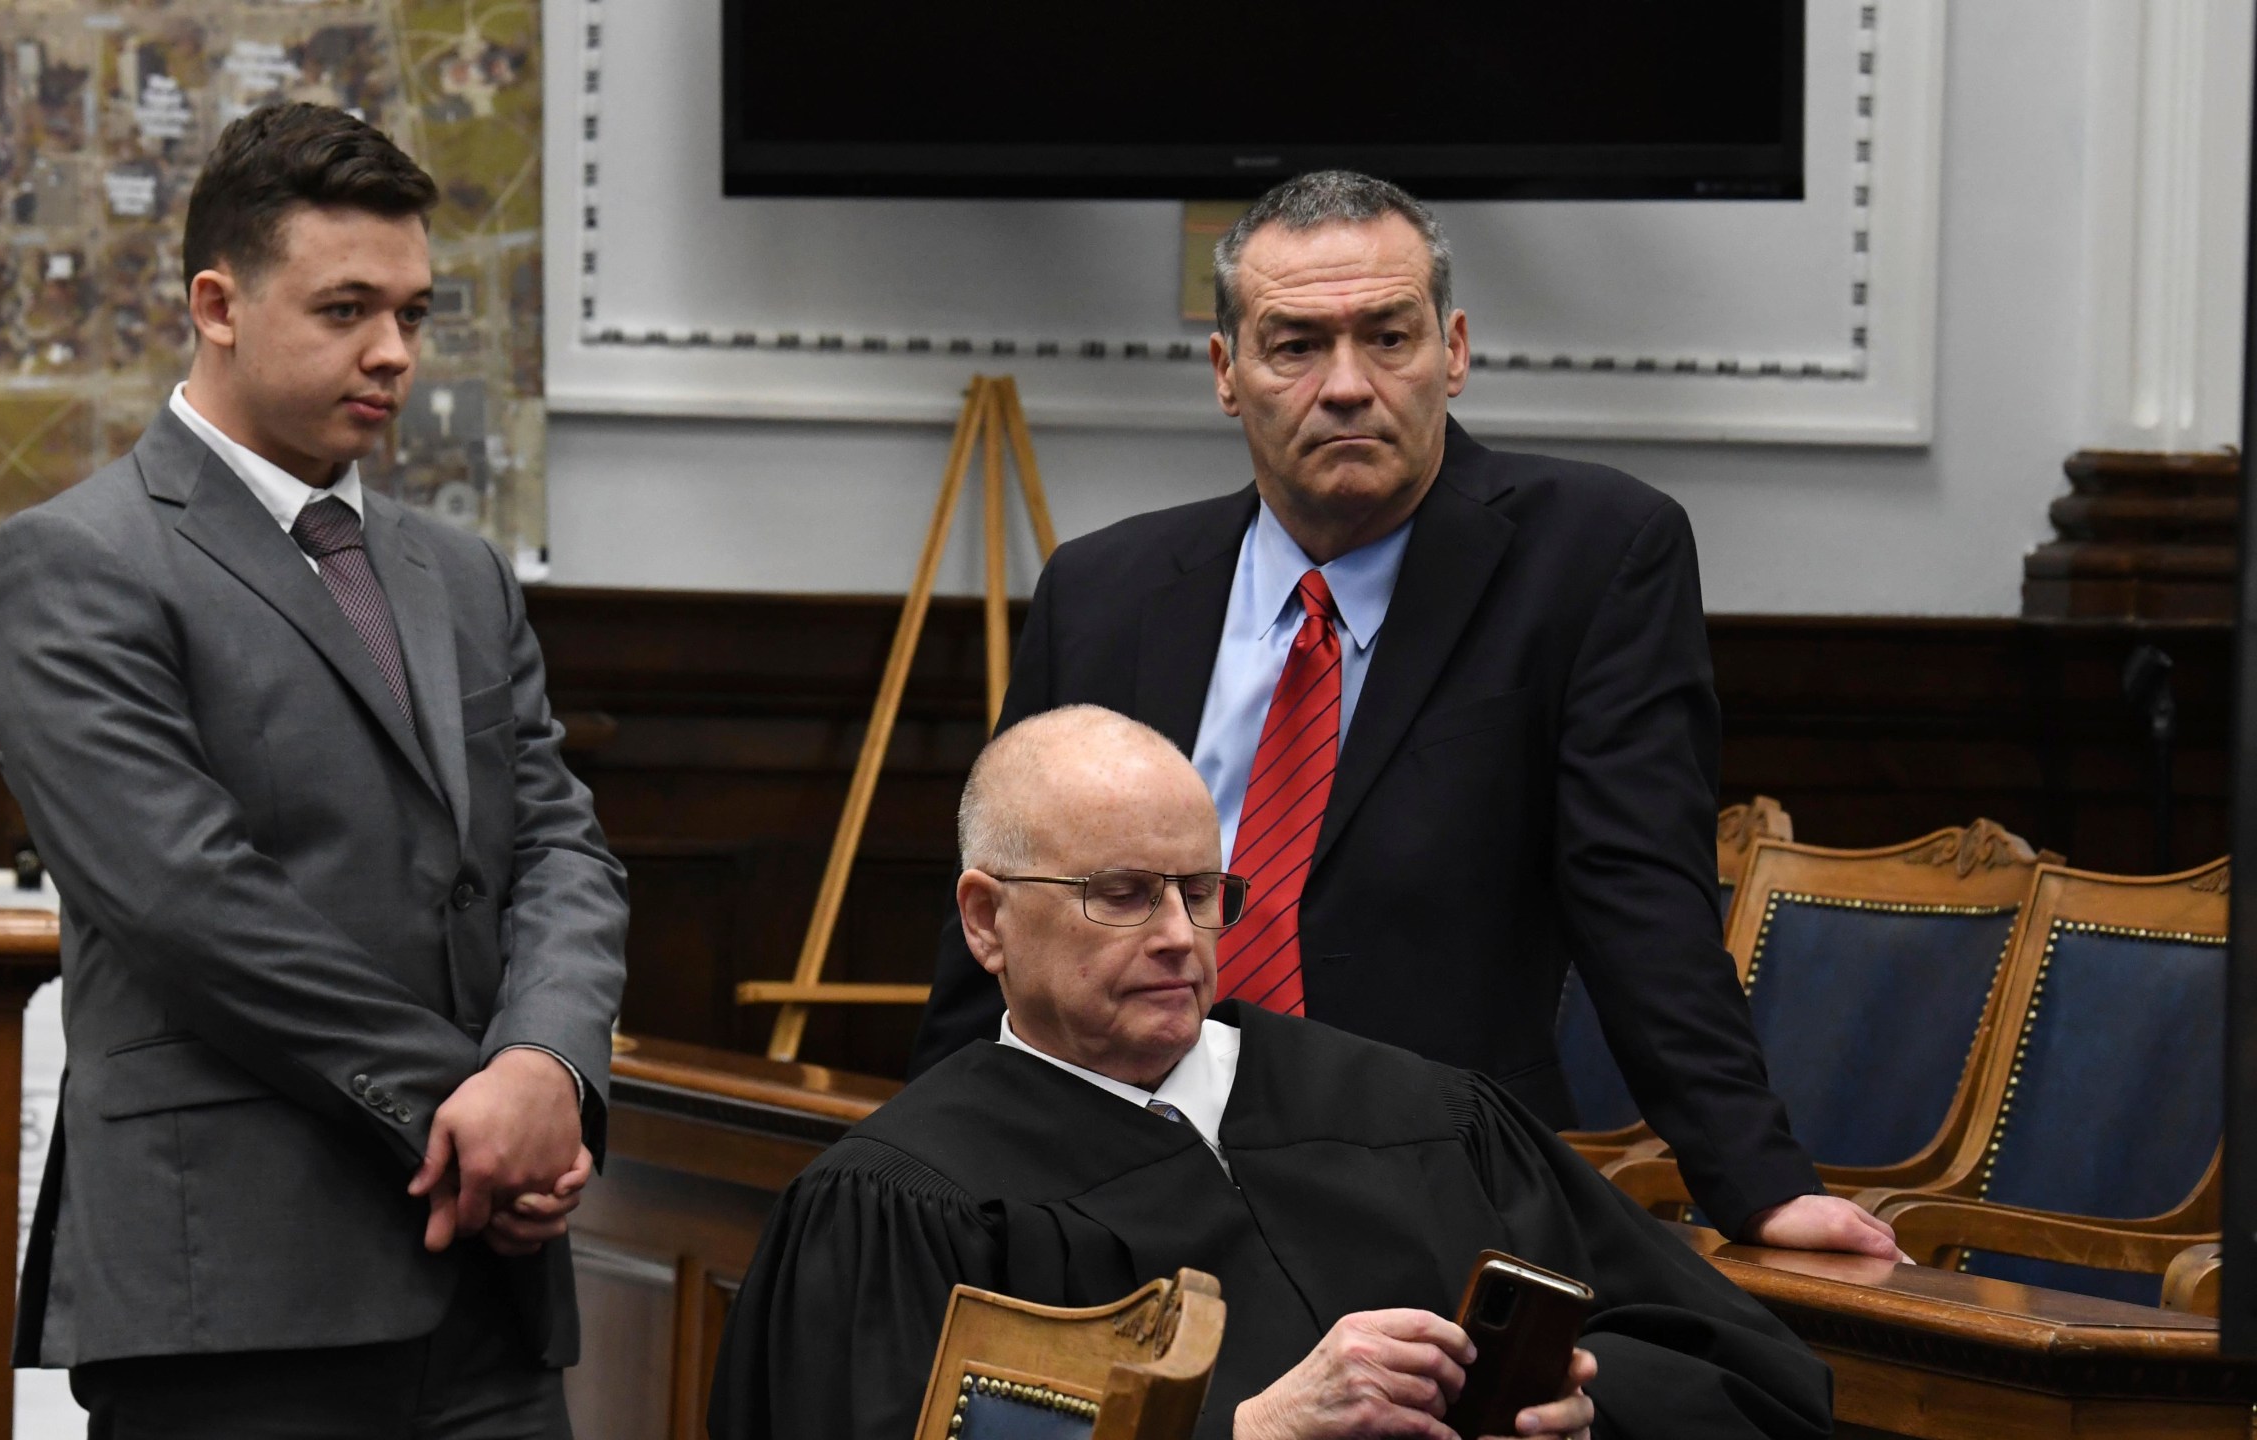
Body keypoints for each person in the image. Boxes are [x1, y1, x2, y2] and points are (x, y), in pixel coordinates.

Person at [908, 169, 1894, 1258]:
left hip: (1434, 1189)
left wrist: (1755, 1185)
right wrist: (928, 1176)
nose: (1347, 385)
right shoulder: (1106, 589)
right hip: (1114, 1176)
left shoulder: (1593, 557)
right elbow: (1001, 925)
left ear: (1454, 352)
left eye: (1388, 336)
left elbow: (1642, 903)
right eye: (1294, 346)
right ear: (1226, 372)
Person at [0, 102, 628, 1437]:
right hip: (237, 1294)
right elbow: (188, 904)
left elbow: (562, 848)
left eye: (412, 311)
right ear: (218, 303)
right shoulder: (81, 560)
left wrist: (551, 1074)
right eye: (346, 309)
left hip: (490, 1307)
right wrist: (473, 1108)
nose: (392, 353)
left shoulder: (455, 571)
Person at [715, 706, 1832, 1440]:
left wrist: (1586, 1403)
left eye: (1200, 893)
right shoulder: (902, 1198)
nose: (1179, 938)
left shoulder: (1417, 1114)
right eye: (1121, 893)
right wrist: (1254, 1433)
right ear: (986, 919)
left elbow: (1754, 1373)